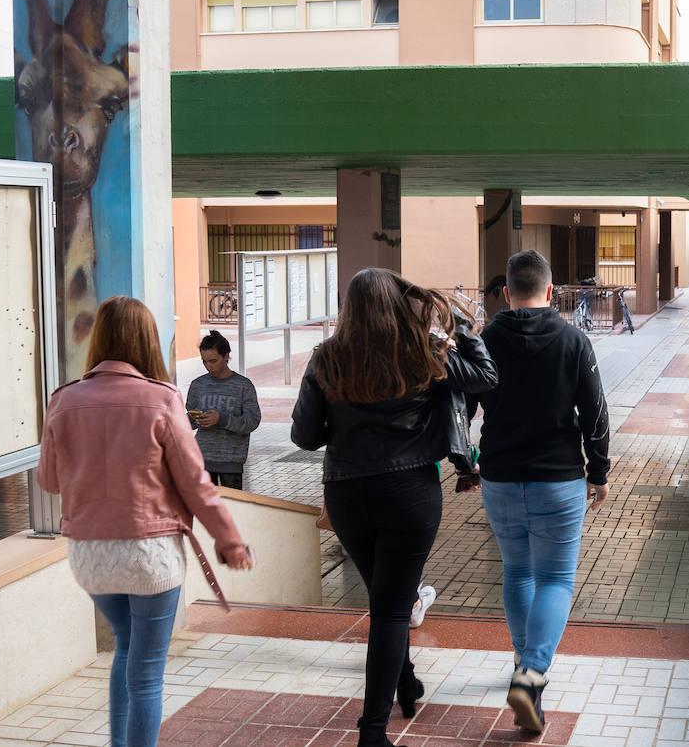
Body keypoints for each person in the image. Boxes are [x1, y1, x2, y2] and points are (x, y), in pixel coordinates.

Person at [291, 268, 497, 747]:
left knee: (387, 597)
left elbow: (305, 435)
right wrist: (460, 327)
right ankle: (373, 732)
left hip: (346, 492)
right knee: (390, 609)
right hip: (409, 491)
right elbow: (486, 377)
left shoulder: (327, 357)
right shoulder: (422, 351)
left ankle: (405, 682)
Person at [38, 296, 254, 747]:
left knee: (126, 644)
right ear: (146, 340)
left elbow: (49, 481)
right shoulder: (161, 398)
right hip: (149, 554)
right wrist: (230, 540)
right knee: (148, 672)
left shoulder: (64, 399)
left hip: (90, 556)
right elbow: (196, 483)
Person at [469, 250, 610, 734]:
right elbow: (595, 411)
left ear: (506, 293)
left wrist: (465, 461)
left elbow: (461, 406)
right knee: (555, 579)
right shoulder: (573, 340)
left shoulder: (484, 340)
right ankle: (530, 675)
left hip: (500, 477)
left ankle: (521, 659)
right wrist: (599, 471)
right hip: (558, 479)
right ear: (550, 291)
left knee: (517, 570)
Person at [187, 330, 261, 489]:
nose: (209, 366)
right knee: (204, 504)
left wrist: (222, 419)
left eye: (213, 361)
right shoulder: (197, 385)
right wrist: (193, 419)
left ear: (226, 356)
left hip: (231, 461)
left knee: (232, 504)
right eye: (204, 361)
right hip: (202, 458)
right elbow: (189, 421)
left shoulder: (243, 386)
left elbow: (252, 421)